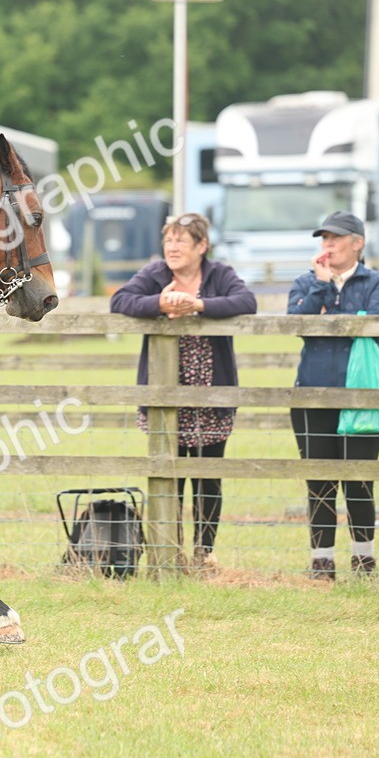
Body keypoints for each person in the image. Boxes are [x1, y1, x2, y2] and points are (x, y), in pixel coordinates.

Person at [110, 213, 257, 571]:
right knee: (168, 474)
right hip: (164, 396)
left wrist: (198, 306)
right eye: (169, 241)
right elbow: (120, 301)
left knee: (207, 476)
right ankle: (170, 550)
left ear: (201, 246)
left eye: (181, 241)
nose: (173, 248)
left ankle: (204, 553)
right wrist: (158, 304)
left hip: (211, 396)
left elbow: (246, 301)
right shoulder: (155, 274)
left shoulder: (219, 274)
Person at [288, 211, 379, 580]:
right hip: (312, 395)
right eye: (323, 238)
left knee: (360, 479)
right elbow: (301, 326)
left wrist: (337, 317)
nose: (327, 245)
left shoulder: (376, 281)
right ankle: (322, 562)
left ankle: (364, 560)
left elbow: (373, 328)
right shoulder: (305, 282)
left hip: (363, 397)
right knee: (320, 481)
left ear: (357, 243)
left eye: (336, 238)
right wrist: (322, 287)